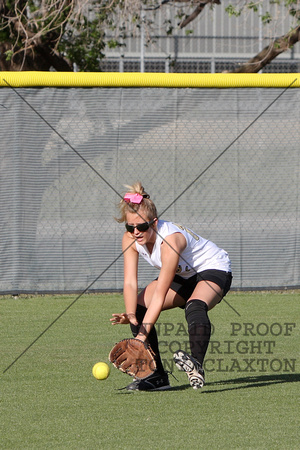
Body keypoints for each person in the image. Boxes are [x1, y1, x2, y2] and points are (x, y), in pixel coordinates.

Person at [110, 181, 232, 391]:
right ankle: (156, 375)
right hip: (183, 275)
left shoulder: (170, 242)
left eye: (142, 226)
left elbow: (160, 294)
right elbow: (130, 281)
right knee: (139, 308)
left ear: (155, 223)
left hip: (212, 267)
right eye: (130, 226)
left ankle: (196, 365)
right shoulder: (130, 239)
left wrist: (140, 337)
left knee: (195, 305)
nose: (136, 231)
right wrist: (131, 314)